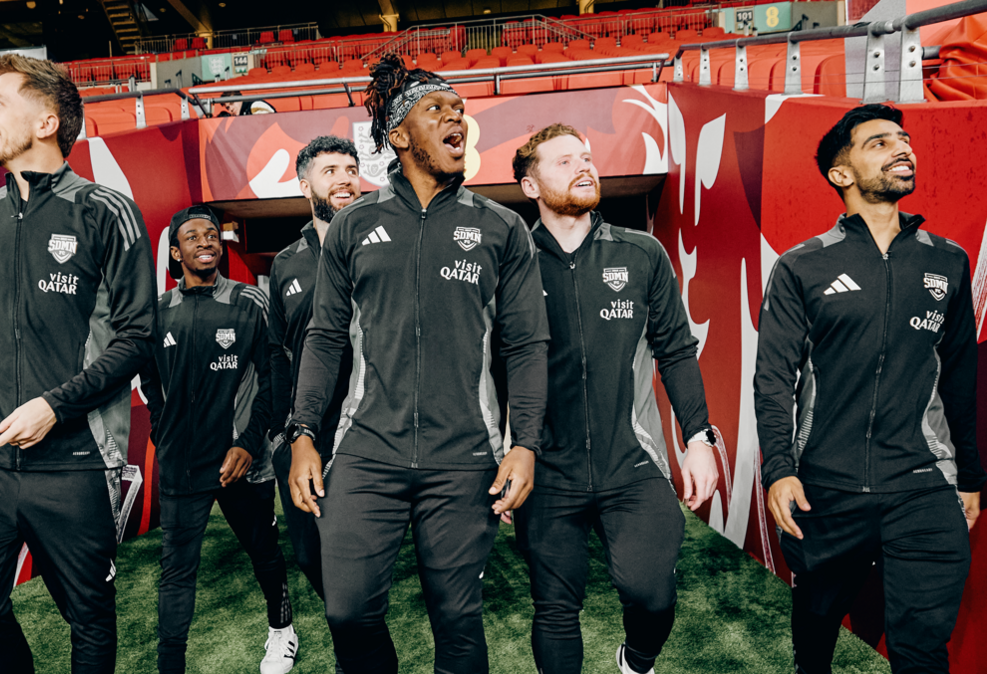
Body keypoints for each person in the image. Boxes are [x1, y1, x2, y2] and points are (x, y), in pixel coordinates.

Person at [286, 53, 549, 674]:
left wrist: (525, 442)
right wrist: (303, 433)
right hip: (366, 451)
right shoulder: (354, 225)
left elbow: (528, 345)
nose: (457, 119)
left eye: (460, 111)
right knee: (348, 612)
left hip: (463, 455)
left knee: (457, 621)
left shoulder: (502, 227)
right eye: (438, 110)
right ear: (399, 136)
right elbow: (324, 337)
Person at [0, 54, 157, 673]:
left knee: (88, 618)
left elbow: (139, 337)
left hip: (76, 458)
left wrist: (55, 405)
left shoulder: (105, 211)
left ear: (48, 120)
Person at [756, 103, 984, 674]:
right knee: (814, 640)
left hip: (923, 486)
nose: (902, 148)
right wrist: (780, 470)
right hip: (827, 489)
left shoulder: (948, 262)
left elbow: (959, 377)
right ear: (842, 174)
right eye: (880, 143)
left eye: (904, 140)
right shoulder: (800, 267)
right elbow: (774, 378)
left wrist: (972, 477)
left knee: (923, 651)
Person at [510, 124, 719, 674]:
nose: (584, 166)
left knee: (651, 594)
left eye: (587, 157)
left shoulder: (643, 252)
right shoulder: (510, 262)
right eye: (564, 162)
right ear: (530, 186)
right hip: (545, 468)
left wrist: (699, 438)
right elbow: (486, 366)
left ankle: (637, 661)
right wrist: (501, 452)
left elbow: (675, 350)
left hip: (631, 460)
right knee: (554, 607)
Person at [141, 205, 297, 674]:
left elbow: (275, 376)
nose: (206, 242)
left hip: (240, 462)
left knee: (264, 554)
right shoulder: (157, 312)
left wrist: (250, 443)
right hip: (182, 465)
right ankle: (172, 664)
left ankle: (282, 631)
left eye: (213, 235)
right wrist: (161, 430)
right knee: (176, 571)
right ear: (176, 251)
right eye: (193, 236)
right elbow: (150, 381)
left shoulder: (249, 301)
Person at [267, 136, 359, 620]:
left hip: (367, 425)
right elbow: (276, 352)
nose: (344, 178)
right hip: (305, 432)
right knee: (308, 553)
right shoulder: (286, 262)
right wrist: (286, 431)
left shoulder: (380, 247)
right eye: (330, 171)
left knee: (361, 545)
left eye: (350, 168)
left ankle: (357, 632)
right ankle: (349, 619)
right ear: (305, 185)